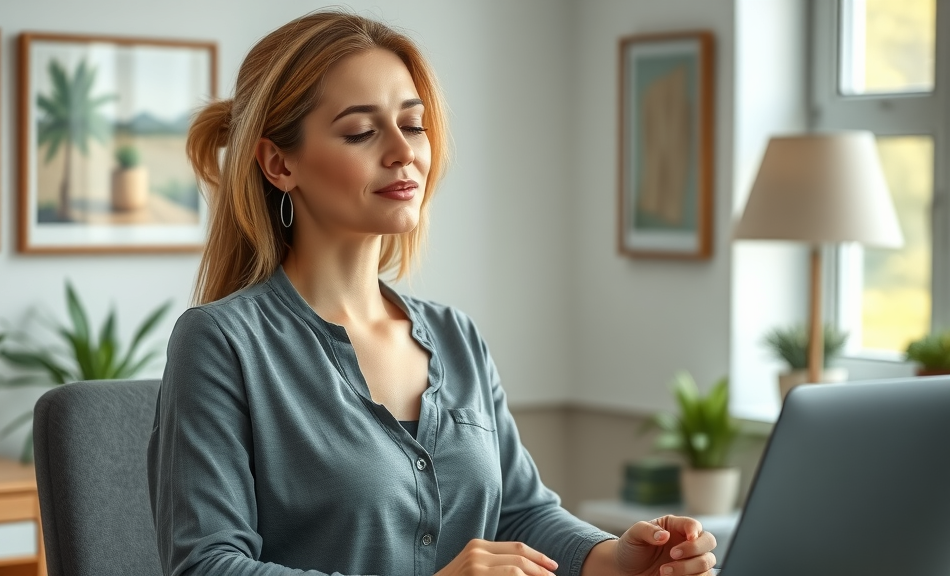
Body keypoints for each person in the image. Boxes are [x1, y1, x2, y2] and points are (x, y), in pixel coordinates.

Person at [147, 10, 718, 576]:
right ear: (278, 162)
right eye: (361, 131)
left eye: (413, 124)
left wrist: (614, 558)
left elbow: (519, 512)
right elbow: (208, 565)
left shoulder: (454, 335)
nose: (403, 152)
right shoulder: (221, 344)